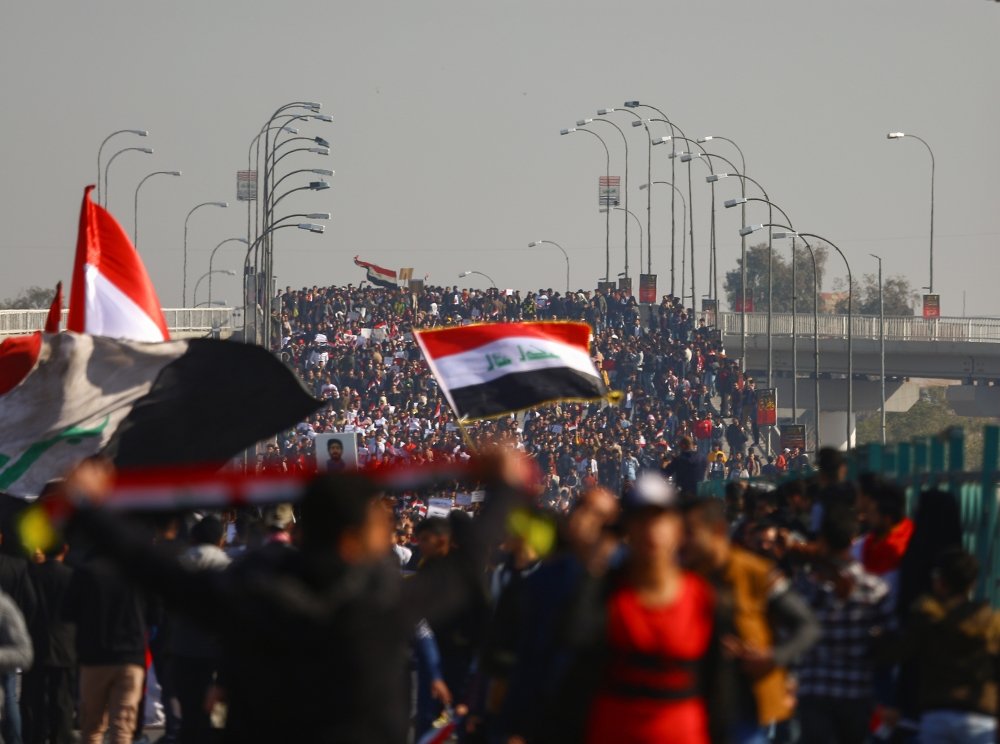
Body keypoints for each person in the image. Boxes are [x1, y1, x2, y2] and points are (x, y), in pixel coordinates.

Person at [60, 451, 530, 744]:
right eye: (376, 526)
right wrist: (504, 486)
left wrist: (92, 508)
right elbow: (465, 565)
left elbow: (159, 571)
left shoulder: (253, 600)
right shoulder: (380, 612)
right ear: (351, 540)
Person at [556, 473, 719, 744]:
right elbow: (575, 639)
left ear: (678, 528)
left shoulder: (703, 597)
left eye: (659, 518)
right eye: (640, 519)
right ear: (627, 529)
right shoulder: (607, 593)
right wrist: (599, 557)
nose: (650, 529)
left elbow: (717, 688)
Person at [682, 498, 820, 744]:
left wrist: (774, 657)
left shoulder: (755, 572)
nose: (684, 541)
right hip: (698, 706)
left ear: (717, 531)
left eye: (691, 532)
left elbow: (807, 625)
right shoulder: (684, 578)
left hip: (747, 707)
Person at [793, 504, 894, 744]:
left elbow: (791, 632)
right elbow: (885, 640)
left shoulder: (808, 586)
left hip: (814, 689)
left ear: (822, 540)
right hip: (856, 691)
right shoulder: (874, 589)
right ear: (852, 540)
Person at [890, 549, 999, 744]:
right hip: (981, 716)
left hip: (937, 712)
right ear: (972, 583)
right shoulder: (991, 623)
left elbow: (899, 651)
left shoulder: (927, 618)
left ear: (940, 582)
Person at [22, 542, 75, 744]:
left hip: (35, 642)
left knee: (33, 699)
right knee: (62, 700)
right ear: (64, 549)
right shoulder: (71, 576)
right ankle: (60, 738)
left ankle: (34, 737)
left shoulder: (32, 574)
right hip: (65, 644)